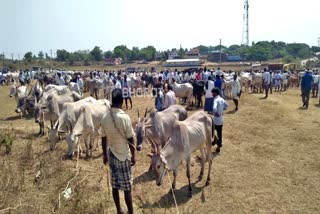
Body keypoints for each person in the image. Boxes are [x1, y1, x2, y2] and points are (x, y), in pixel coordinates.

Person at [101, 88, 135, 214]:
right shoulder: (124, 118)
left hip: (112, 155)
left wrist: (105, 154)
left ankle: (118, 210)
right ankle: (130, 212)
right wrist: (134, 156)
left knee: (115, 185)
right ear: (121, 102)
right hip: (124, 156)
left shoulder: (105, 118)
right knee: (127, 188)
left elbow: (103, 138)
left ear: (111, 100)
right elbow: (131, 139)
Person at [212, 87, 229, 153]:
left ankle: (218, 142)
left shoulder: (215, 100)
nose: (212, 94)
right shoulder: (221, 99)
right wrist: (222, 110)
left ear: (215, 93)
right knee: (220, 133)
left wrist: (215, 113)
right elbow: (227, 105)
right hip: (221, 119)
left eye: (213, 92)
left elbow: (214, 108)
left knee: (212, 132)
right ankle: (218, 146)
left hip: (216, 120)